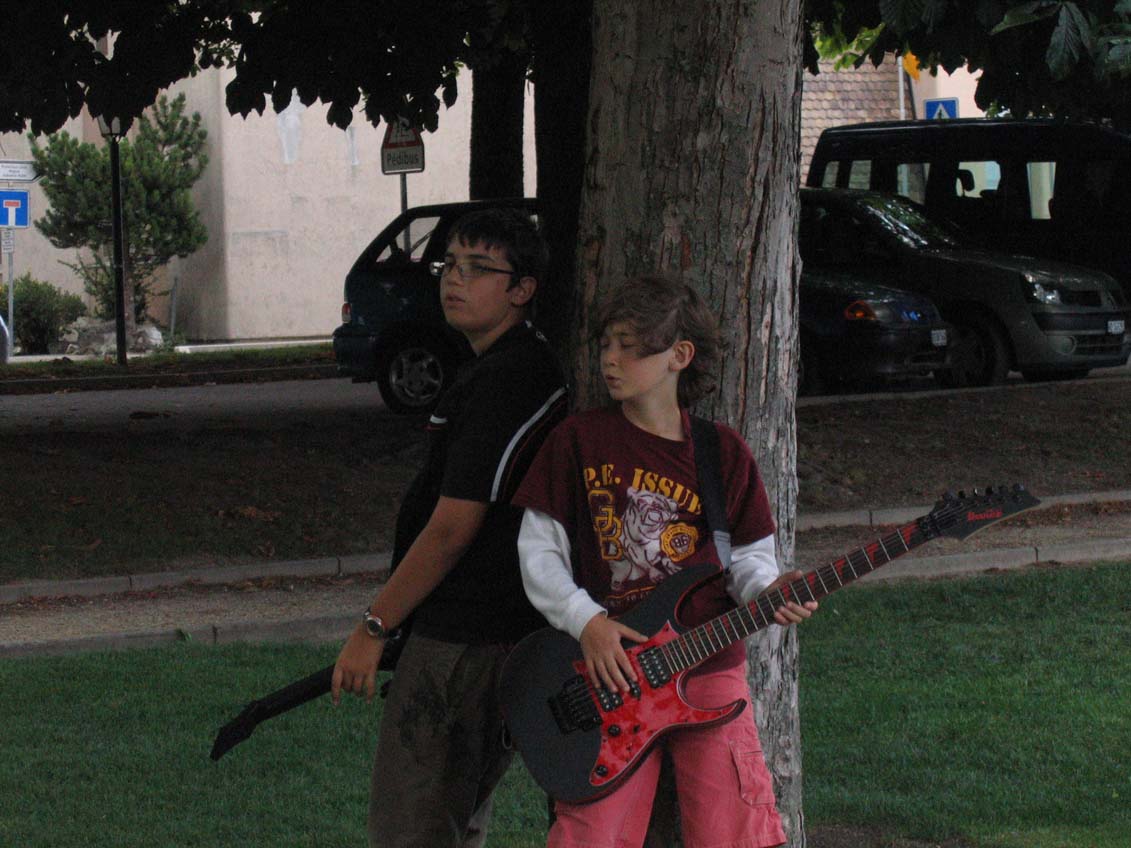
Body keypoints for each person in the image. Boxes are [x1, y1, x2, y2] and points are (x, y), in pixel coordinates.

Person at [514, 274, 817, 848]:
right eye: (606, 343)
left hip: (707, 665)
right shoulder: (578, 440)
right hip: (609, 674)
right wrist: (587, 622)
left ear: (679, 356)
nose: (611, 359)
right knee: (591, 835)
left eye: (630, 346)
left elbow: (748, 559)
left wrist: (767, 591)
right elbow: (539, 552)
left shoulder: (722, 452)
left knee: (732, 831)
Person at [331, 207, 568, 848]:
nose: (454, 279)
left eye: (479, 268)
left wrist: (374, 627)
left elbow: (453, 527)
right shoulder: (485, 367)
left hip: (468, 640)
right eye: (450, 264)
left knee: (414, 828)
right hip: (458, 632)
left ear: (522, 289)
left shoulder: (514, 376)